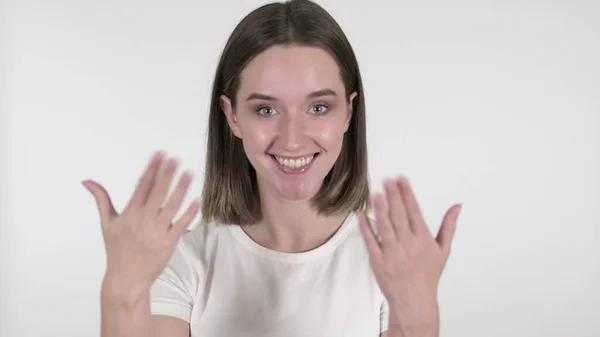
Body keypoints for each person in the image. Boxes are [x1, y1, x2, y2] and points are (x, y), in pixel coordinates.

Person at [82, 0, 462, 336]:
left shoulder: (389, 263)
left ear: (349, 112)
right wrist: (122, 294)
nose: (293, 139)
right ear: (232, 117)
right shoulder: (184, 261)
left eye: (318, 108)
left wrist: (418, 320)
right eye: (266, 109)